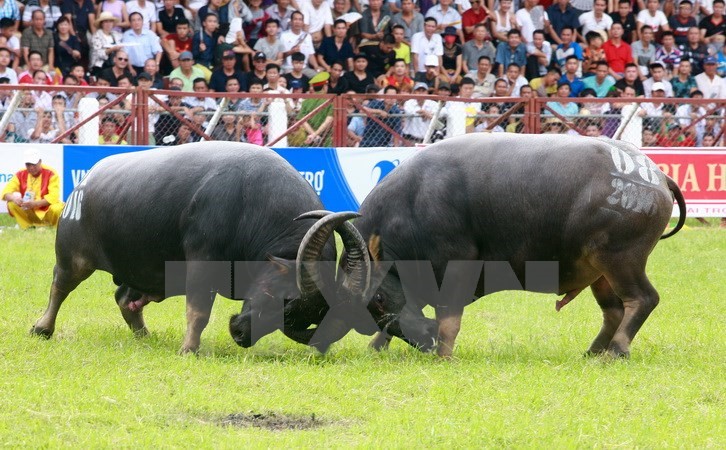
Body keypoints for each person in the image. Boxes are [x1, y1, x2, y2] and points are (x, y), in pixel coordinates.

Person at [2, 149, 64, 229]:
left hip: (46, 210)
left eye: (34, 164)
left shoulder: (51, 173)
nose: (31, 167)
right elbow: (5, 193)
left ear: (40, 162)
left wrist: (35, 204)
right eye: (28, 165)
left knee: (58, 208)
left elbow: (54, 197)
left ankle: (55, 227)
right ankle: (27, 227)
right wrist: (14, 198)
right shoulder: (20, 174)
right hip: (29, 209)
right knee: (11, 203)